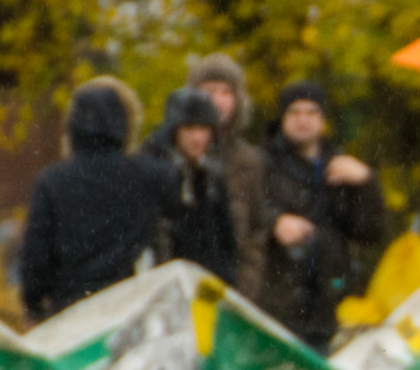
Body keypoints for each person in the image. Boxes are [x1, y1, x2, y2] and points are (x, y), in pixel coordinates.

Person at [20, 85, 176, 321]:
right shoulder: (150, 176)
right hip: (133, 309)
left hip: (71, 311)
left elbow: (36, 259)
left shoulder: (51, 181)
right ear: (124, 124)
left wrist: (34, 304)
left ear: (72, 126)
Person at [258, 81, 386, 352]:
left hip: (327, 305)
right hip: (273, 304)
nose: (303, 120)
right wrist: (275, 222)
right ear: (282, 118)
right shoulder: (261, 163)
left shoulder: (342, 166)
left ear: (323, 119)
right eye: (294, 112)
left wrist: (366, 183)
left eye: (311, 112)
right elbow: (244, 214)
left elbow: (371, 232)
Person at [187, 53, 270, 299]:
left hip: (236, 291)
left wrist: (246, 287)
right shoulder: (170, 154)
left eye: (227, 92)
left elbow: (257, 232)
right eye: (209, 91)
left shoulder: (250, 161)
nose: (218, 100)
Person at [140, 87, 238, 282]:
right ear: (174, 130)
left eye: (203, 129)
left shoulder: (212, 176)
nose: (197, 137)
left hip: (205, 289)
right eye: (189, 128)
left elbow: (226, 244)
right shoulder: (151, 174)